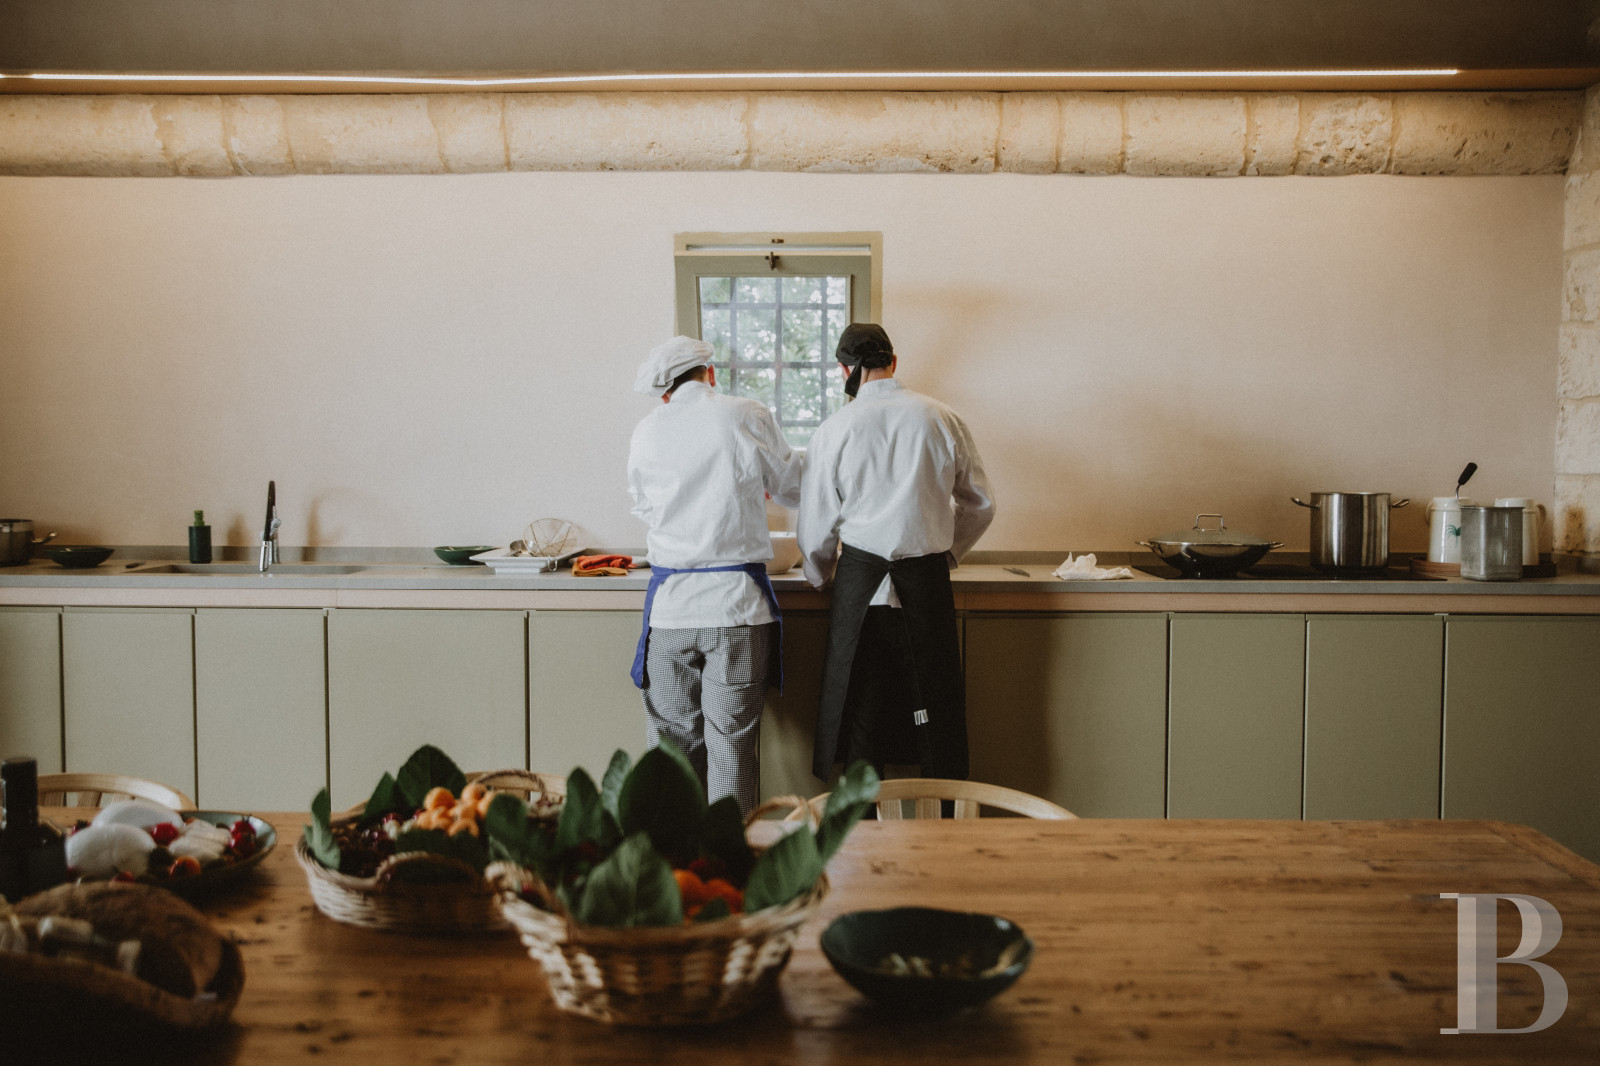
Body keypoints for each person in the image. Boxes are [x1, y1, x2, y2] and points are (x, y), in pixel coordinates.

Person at [797, 323, 995, 783]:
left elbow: (816, 528)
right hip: (924, 586)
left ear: (844, 370)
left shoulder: (834, 429)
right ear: (894, 361)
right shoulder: (942, 418)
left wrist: (820, 575)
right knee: (933, 709)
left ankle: (862, 836)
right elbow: (981, 506)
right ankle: (941, 834)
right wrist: (945, 555)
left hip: (860, 592)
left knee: (863, 714)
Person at [626, 336, 803, 815]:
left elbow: (642, 504)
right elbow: (793, 488)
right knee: (732, 750)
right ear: (710, 373)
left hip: (671, 613)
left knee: (672, 754)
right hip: (736, 610)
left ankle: (675, 871)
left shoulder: (646, 430)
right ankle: (732, 867)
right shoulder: (744, 412)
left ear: (665, 391)